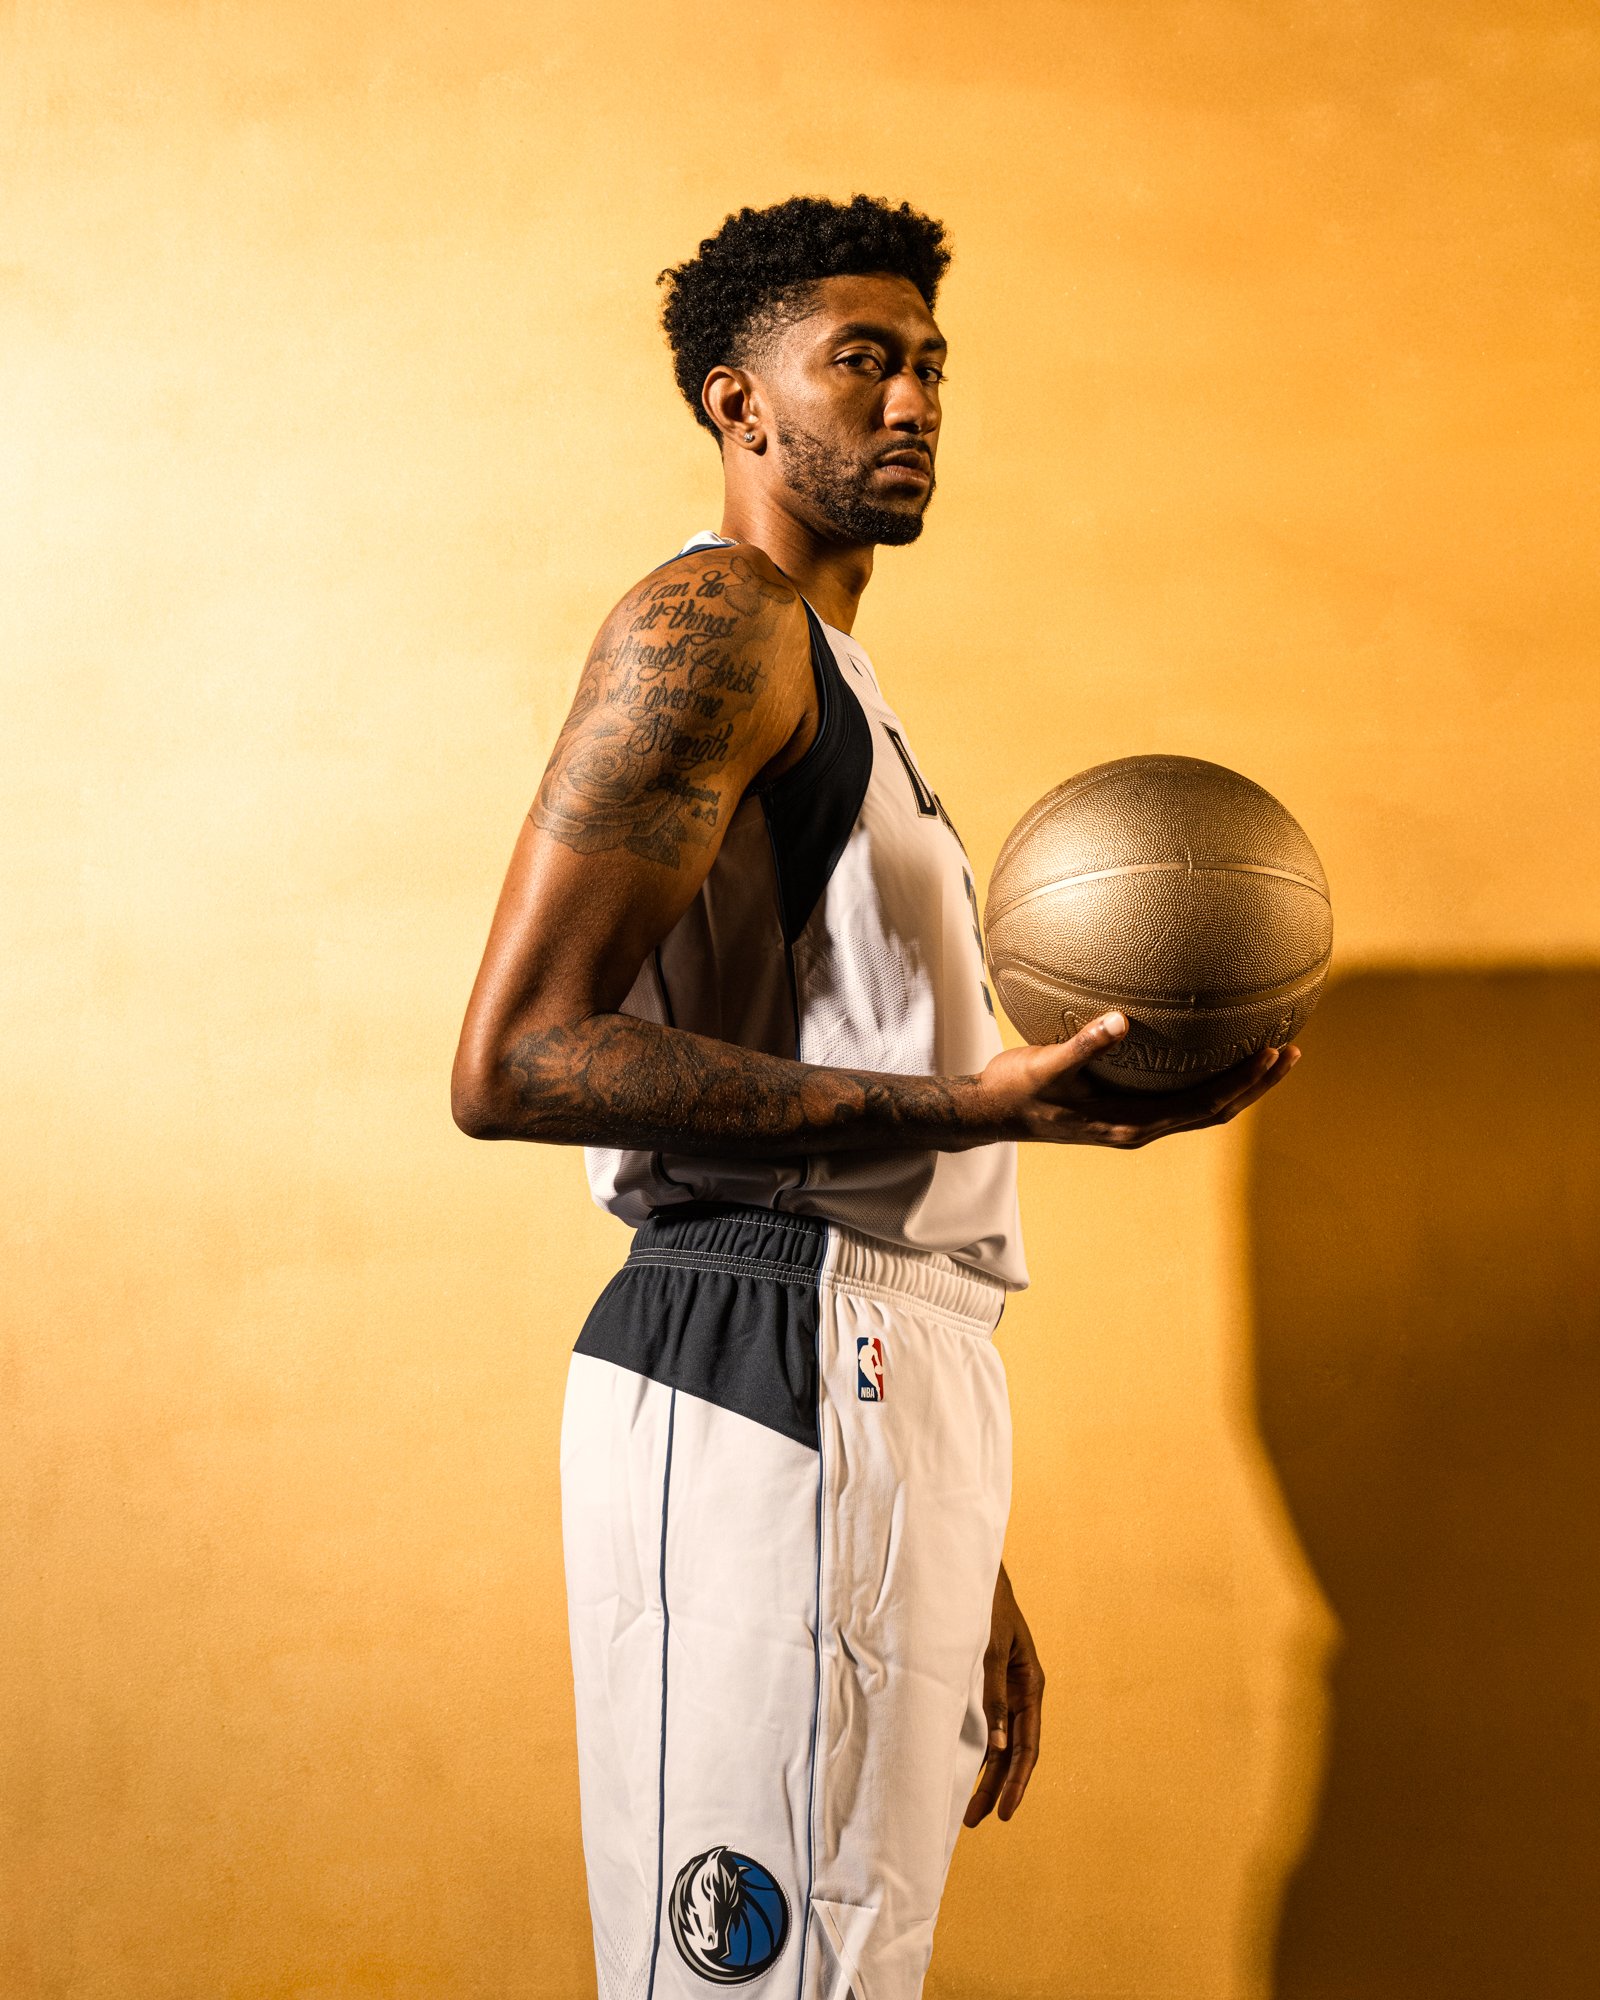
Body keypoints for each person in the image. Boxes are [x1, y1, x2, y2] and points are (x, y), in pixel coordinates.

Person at [452, 194, 1295, 2000]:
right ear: (734, 400)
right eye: (861, 361)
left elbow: (880, 1113)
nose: (912, 401)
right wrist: (978, 1109)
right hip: (764, 1340)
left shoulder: (847, 690)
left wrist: (954, 1537)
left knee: (849, 1973)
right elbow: (514, 1059)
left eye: (930, 367)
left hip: (876, 1380)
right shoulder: (714, 623)